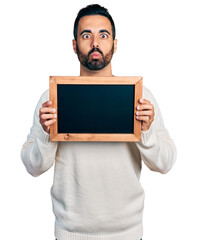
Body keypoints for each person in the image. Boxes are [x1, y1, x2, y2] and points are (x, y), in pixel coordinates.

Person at [21, 4, 176, 240]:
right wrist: (46, 133)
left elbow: (165, 162)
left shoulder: (141, 97)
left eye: (103, 35)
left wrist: (146, 131)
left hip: (128, 233)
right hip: (70, 233)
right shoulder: (52, 98)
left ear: (114, 44)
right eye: (86, 35)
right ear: (74, 45)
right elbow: (33, 167)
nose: (95, 43)